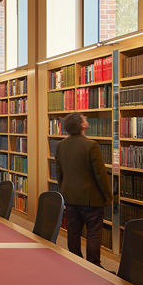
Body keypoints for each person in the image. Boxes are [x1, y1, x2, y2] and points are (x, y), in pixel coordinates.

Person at [53, 112, 112, 266]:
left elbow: (59, 172)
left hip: (70, 196)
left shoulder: (60, 145)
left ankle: (75, 263)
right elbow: (100, 174)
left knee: (73, 231)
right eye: (84, 119)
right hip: (91, 198)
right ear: (82, 125)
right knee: (93, 232)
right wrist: (108, 195)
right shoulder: (91, 145)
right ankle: (93, 265)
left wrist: (64, 189)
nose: (86, 120)